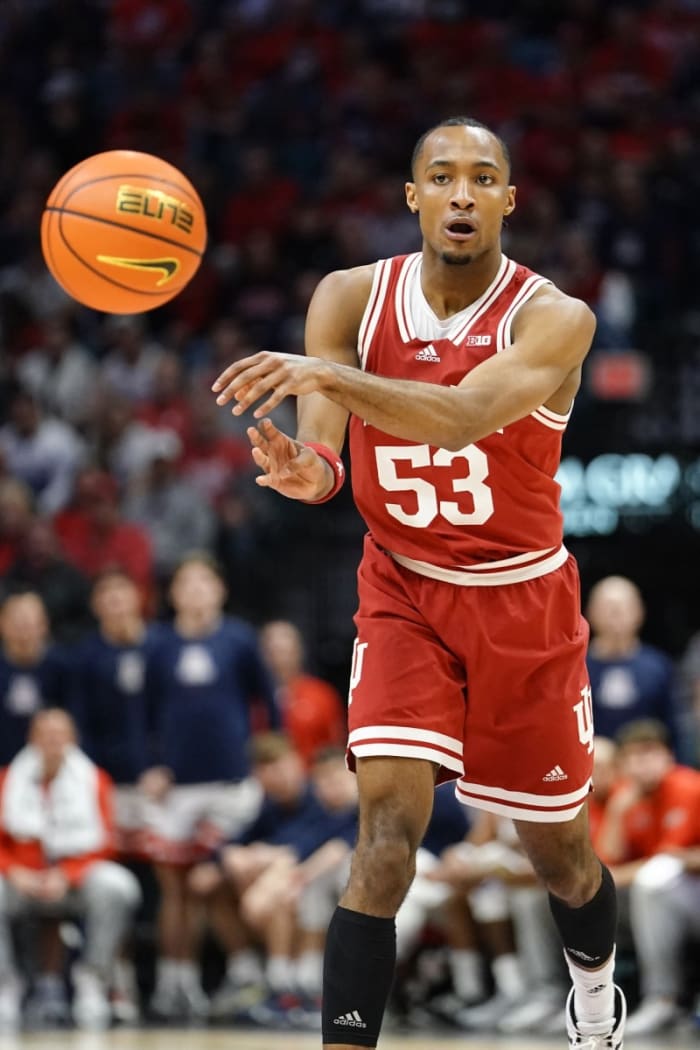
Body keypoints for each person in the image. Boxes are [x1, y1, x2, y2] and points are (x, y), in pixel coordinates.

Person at [212, 115, 625, 1049]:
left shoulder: (555, 316)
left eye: (482, 178)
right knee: (385, 840)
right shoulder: (348, 298)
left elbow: (464, 415)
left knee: (561, 857)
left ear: (509, 199)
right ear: (413, 197)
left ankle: (596, 998)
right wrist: (310, 470)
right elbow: (326, 453)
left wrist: (328, 380)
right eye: (442, 177)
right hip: (404, 590)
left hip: (522, 600)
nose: (461, 193)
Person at [139, 553, 278, 1020]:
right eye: (186, 582)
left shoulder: (239, 639)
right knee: (174, 889)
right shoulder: (158, 644)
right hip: (175, 788)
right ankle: (173, 984)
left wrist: (269, 761)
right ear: (173, 593)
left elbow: (269, 703)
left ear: (220, 590)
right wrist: (151, 766)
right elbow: (143, 713)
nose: (196, 591)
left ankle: (249, 973)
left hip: (230, 786)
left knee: (214, 882)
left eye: (205, 582)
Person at [0, 709, 141, 1030]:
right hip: (21, 883)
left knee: (118, 885)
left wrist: (67, 873)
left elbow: (106, 841)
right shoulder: (7, 780)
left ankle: (93, 980)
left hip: (72, 883)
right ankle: (5, 984)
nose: (52, 742)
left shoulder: (94, 779)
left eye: (59, 734)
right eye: (44, 734)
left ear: (73, 739)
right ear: (31, 739)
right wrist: (14, 871)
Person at [595, 719, 700, 1036]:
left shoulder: (687, 787)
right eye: (633, 756)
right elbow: (607, 858)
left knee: (649, 885)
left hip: (690, 890)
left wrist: (613, 876)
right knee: (583, 898)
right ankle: (580, 998)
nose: (642, 763)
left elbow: (666, 861)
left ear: (669, 756)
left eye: (650, 753)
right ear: (623, 765)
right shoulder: (625, 796)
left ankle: (663, 997)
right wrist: (617, 811)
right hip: (663, 895)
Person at [586, 575, 685, 761]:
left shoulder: (658, 666)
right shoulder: (576, 669)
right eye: (608, 607)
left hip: (648, 767)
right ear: (590, 612)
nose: (616, 614)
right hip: (592, 767)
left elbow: (674, 726)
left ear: (639, 612)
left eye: (623, 607)